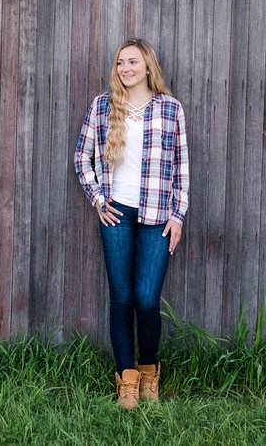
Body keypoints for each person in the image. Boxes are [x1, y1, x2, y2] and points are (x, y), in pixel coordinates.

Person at [74, 38, 189, 410]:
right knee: (121, 298)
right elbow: (82, 157)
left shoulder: (170, 109)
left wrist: (179, 215)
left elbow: (182, 168)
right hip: (116, 214)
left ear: (147, 65)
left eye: (133, 62)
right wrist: (97, 198)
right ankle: (126, 379)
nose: (125, 68)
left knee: (146, 298)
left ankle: (150, 370)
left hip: (157, 216)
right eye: (121, 62)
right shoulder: (103, 106)